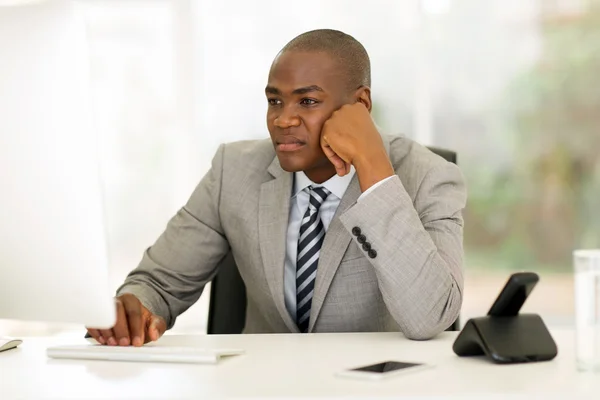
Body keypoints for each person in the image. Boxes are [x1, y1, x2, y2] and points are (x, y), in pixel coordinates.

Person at [86, 29, 466, 347]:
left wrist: (374, 169)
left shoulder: (429, 177)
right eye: (275, 100)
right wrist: (135, 309)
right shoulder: (232, 172)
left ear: (360, 106)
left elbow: (430, 317)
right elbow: (159, 282)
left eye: (308, 101)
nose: (284, 119)